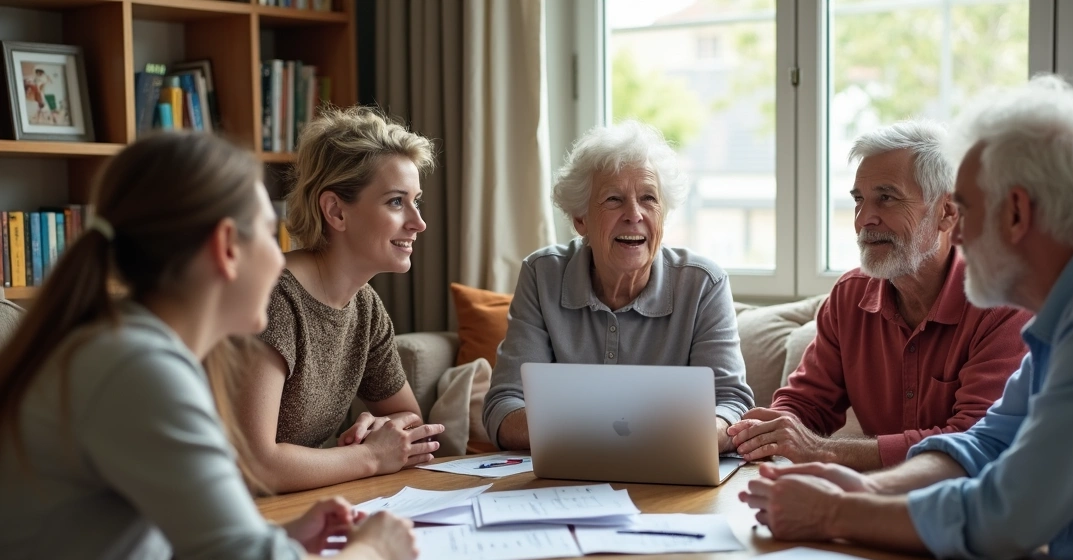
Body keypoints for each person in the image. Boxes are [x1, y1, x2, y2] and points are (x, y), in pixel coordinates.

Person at [739, 76, 1073, 560]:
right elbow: (984, 441)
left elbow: (1006, 517)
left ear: (1015, 212)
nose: (958, 233)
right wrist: (868, 489)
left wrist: (834, 513)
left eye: (964, 208)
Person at [0, 133, 418, 560]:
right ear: (226, 247)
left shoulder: (130, 346)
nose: (281, 257)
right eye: (269, 234)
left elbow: (163, 526)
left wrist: (275, 538)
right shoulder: (140, 370)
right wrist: (374, 553)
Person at [729, 121, 1030, 470]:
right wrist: (767, 430)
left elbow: (972, 442)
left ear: (947, 212)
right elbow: (807, 404)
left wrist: (820, 450)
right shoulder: (849, 295)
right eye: (859, 200)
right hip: (874, 496)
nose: (863, 220)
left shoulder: (1003, 303)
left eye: (886, 198)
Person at [485, 121, 754, 451]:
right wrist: (607, 436)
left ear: (663, 215)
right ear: (580, 219)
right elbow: (504, 406)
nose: (634, 214)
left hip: (670, 475)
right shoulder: (543, 275)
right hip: (566, 480)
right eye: (613, 199)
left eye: (648, 198)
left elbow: (731, 407)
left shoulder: (703, 284)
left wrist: (653, 439)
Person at [237, 106, 445, 493]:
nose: (418, 222)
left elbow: (411, 423)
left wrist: (382, 429)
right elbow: (257, 465)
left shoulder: (364, 307)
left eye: (417, 200)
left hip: (304, 503)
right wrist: (370, 457)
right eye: (397, 202)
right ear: (335, 211)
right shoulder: (273, 300)